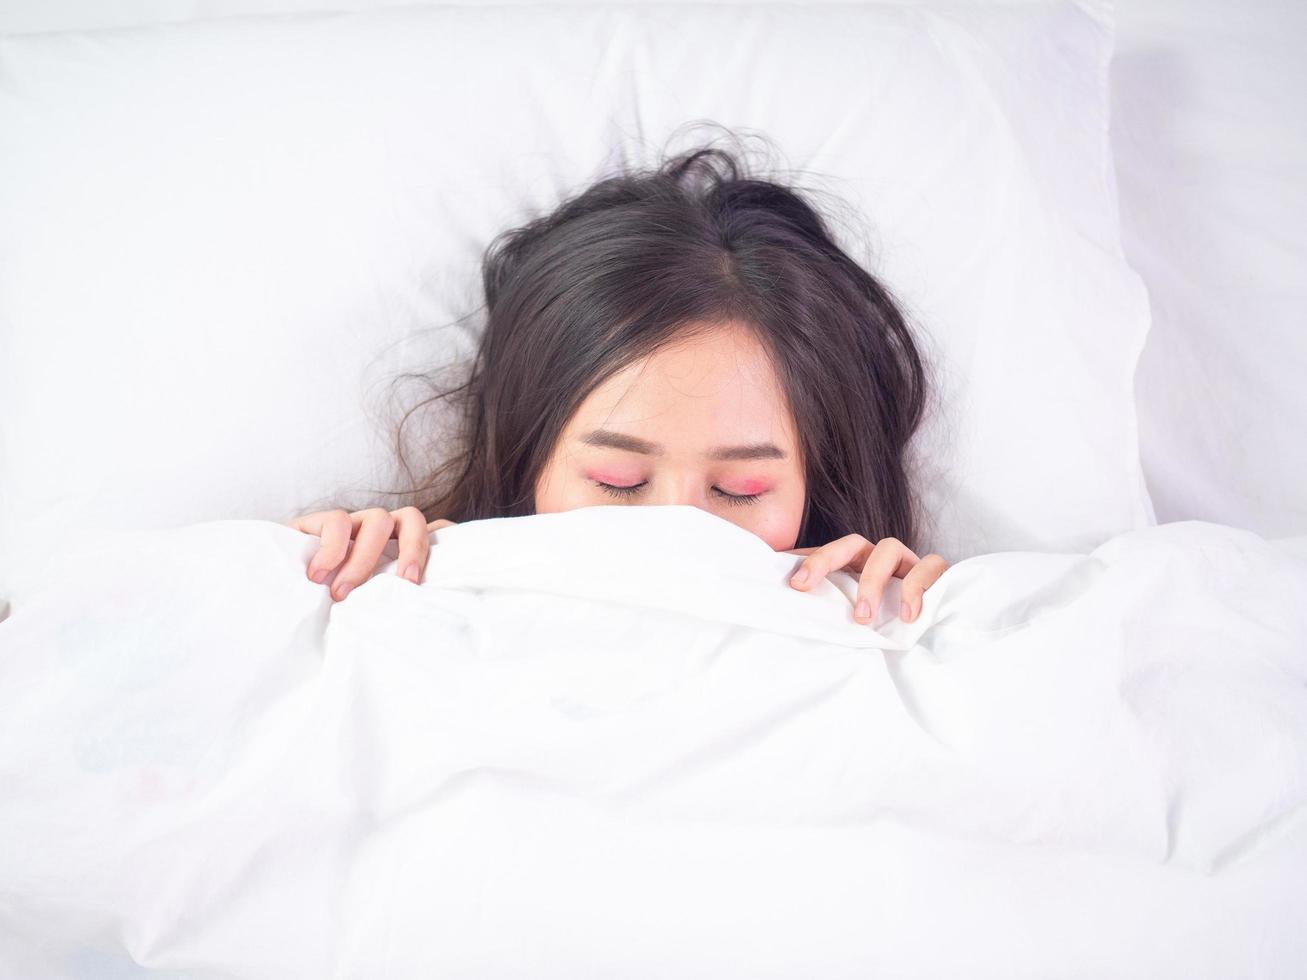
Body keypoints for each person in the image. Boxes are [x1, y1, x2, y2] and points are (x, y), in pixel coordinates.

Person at [287, 130, 950, 626]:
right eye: (617, 481)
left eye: (739, 490)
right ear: (527, 462)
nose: (676, 530)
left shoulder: (894, 624)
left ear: (817, 483)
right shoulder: (403, 589)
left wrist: (925, 625)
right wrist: (311, 571)